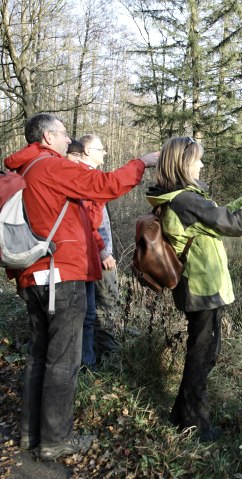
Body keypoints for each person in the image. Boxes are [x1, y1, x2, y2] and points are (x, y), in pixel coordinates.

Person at [4, 113, 158, 460]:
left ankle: (31, 433)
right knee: (63, 359)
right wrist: (142, 162)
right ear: (46, 136)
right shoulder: (51, 166)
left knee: (38, 355)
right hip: (62, 275)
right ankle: (56, 441)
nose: (67, 138)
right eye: (62, 132)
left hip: (32, 274)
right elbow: (105, 185)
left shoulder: (24, 169)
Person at [145, 136, 242, 442]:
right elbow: (234, 224)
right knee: (202, 358)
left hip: (198, 287)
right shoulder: (185, 200)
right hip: (202, 290)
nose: (202, 164)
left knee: (201, 354)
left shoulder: (179, 197)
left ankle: (180, 415)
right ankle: (194, 426)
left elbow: (219, 218)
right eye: (198, 159)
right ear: (184, 163)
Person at [79, 134, 119, 362]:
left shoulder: (92, 177)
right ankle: (104, 357)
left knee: (98, 307)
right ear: (86, 151)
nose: (104, 152)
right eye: (100, 148)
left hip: (98, 254)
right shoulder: (84, 178)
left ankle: (96, 355)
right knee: (104, 305)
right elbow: (88, 220)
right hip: (96, 257)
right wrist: (104, 251)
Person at [66, 139, 104, 369]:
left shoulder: (86, 181)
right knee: (78, 317)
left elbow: (94, 225)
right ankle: (78, 365)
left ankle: (86, 362)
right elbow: (89, 224)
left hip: (86, 259)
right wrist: (104, 249)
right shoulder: (74, 181)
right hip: (74, 261)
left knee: (88, 315)